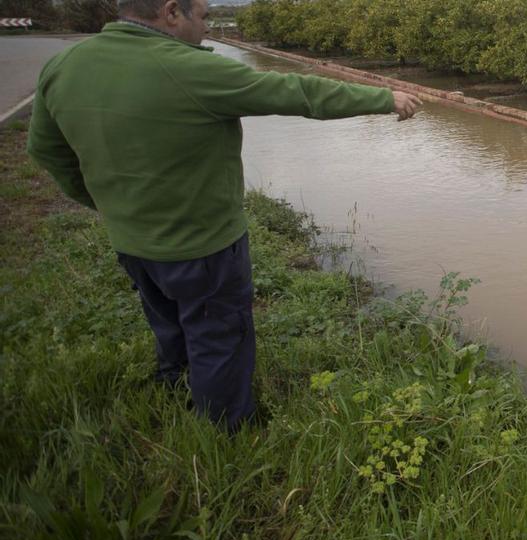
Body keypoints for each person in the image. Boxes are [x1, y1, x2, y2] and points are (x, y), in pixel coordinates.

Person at [25, 0, 423, 433]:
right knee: (218, 339)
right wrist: (385, 97)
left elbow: (45, 150)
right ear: (172, 12)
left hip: (132, 243)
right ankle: (224, 434)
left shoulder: (64, 65)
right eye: (204, 16)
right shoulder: (189, 68)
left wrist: (103, 204)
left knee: (168, 320)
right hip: (205, 246)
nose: (206, 27)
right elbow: (297, 92)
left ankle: (174, 387)